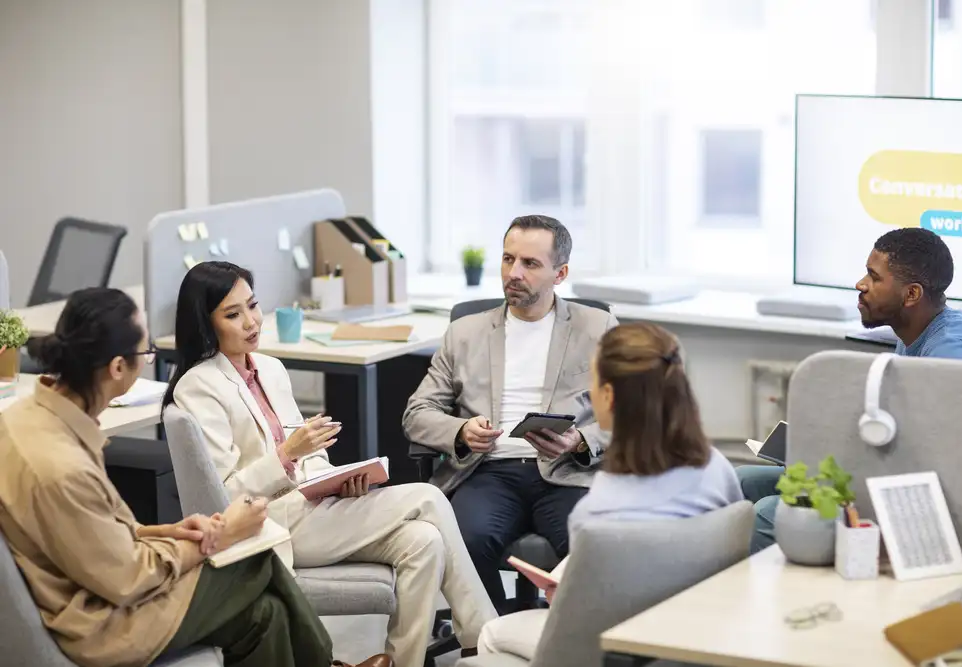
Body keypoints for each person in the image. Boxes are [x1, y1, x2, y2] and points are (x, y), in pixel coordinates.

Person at [0, 287, 391, 667]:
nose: (149, 361)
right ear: (118, 367)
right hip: (103, 622)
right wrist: (220, 536)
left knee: (266, 614)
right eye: (147, 353)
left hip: (95, 586)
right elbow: (127, 578)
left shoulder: (26, 418)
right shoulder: (61, 465)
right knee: (253, 560)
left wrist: (172, 532)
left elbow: (98, 535)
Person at [164, 261, 495, 667]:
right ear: (206, 322)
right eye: (233, 315)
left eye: (253, 306)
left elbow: (311, 452)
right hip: (272, 523)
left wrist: (333, 481)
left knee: (424, 541)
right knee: (427, 497)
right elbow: (225, 495)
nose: (251, 321)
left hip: (312, 507)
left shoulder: (270, 368)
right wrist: (286, 455)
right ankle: (483, 639)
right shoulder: (199, 385)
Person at [476, 322, 743, 659]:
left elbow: (582, 619)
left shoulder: (598, 507)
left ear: (609, 396)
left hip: (613, 645)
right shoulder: (717, 468)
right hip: (694, 637)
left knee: (490, 633)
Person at [402, 215, 618, 613]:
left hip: (567, 470)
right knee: (465, 540)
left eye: (530, 264)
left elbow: (632, 412)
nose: (513, 273)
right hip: (489, 471)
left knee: (592, 544)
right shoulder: (464, 332)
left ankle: (565, 644)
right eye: (507, 259)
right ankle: (495, 637)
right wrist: (461, 430)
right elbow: (418, 412)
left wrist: (581, 440)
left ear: (560, 273)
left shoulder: (598, 327)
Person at [739, 227, 962, 552]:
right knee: (743, 481)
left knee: (767, 515)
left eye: (874, 277)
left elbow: (949, 454)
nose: (860, 284)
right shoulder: (914, 332)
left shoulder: (953, 352)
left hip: (911, 497)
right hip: (882, 473)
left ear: (911, 295)